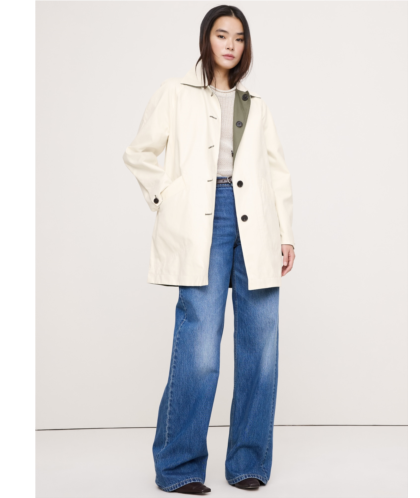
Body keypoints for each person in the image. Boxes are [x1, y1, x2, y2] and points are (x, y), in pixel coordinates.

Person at [123, 5, 295, 494]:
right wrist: (169, 198)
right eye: (222, 35)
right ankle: (179, 466)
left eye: (239, 38)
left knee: (261, 348)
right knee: (199, 348)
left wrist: (285, 234)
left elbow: (276, 172)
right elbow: (139, 152)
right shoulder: (175, 92)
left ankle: (248, 462)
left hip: (256, 222)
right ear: (207, 39)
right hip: (203, 220)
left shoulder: (255, 104)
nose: (230, 45)